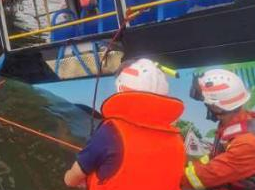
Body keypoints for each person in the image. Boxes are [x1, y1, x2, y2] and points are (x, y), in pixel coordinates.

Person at [63, 58, 186, 190]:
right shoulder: (177, 140)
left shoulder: (111, 133)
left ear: (121, 88)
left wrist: (69, 176)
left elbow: (72, 179)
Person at [182, 69, 255, 190]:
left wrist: (170, 176)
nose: (205, 105)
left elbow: (202, 178)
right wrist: (185, 166)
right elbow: (215, 158)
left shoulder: (248, 144)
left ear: (216, 106)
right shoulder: (238, 123)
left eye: (205, 101)